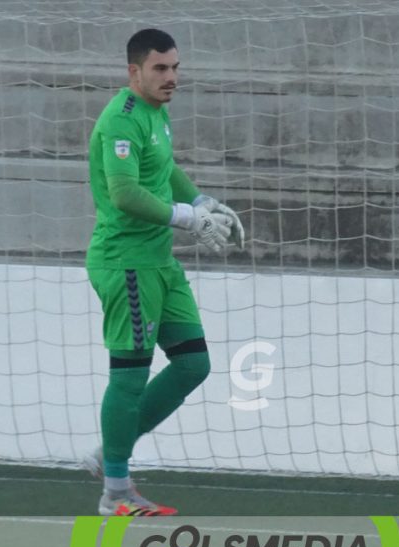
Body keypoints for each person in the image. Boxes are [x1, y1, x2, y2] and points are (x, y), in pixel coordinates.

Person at [82, 28, 244, 516]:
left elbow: (165, 167)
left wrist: (201, 199)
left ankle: (111, 451)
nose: (172, 77)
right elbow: (125, 194)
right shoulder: (121, 120)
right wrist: (186, 218)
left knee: (194, 364)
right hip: (126, 262)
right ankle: (115, 491)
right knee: (130, 378)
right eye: (160, 68)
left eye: (175, 67)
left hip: (160, 261)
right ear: (134, 72)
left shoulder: (156, 112)